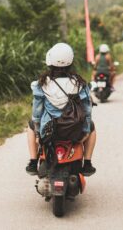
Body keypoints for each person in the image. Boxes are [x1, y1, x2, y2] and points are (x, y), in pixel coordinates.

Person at [25, 43, 96, 176]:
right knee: (91, 126)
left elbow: (37, 113)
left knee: (30, 124)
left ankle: (33, 162)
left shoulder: (42, 84)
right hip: (74, 131)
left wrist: (38, 134)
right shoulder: (79, 83)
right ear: (71, 62)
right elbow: (87, 112)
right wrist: (85, 131)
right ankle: (87, 164)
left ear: (50, 62)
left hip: (48, 132)